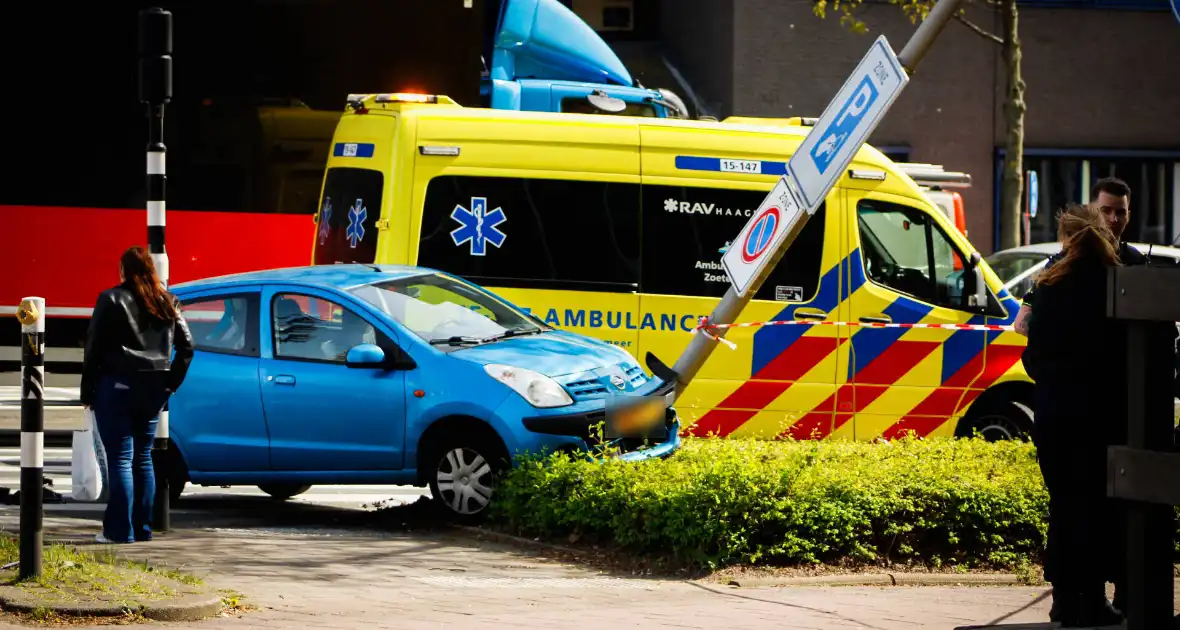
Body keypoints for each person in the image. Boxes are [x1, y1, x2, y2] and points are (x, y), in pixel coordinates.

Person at [1022, 203, 1128, 627]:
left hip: (1055, 416)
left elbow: (1033, 356)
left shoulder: (1049, 285)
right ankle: (1094, 598)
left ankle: (1065, 599)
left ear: (1066, 238)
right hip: (1099, 417)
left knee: (1064, 506)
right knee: (1097, 509)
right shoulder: (1114, 283)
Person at [80, 246, 194, 544]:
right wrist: (171, 383)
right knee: (143, 458)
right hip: (154, 389)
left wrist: (87, 390)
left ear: (124, 270)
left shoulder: (111, 299)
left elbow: (93, 348)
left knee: (120, 458)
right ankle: (142, 529)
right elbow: (187, 346)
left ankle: (118, 531)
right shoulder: (167, 301)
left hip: (117, 386)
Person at [1014, 177, 1143, 336]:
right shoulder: (1061, 263)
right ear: (1092, 211)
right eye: (1106, 211)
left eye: (1120, 212)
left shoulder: (1136, 262)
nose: (1113, 219)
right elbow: (1024, 316)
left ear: (1128, 215)